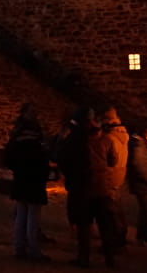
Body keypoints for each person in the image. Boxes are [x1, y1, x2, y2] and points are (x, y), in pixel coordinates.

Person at [57, 106, 120, 268]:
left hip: (82, 188)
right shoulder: (105, 139)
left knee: (84, 227)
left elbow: (62, 160)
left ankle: (84, 258)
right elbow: (113, 161)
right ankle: (109, 259)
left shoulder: (74, 140)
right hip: (101, 188)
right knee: (105, 226)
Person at [4, 103, 51, 261]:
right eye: (32, 112)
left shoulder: (16, 136)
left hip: (23, 178)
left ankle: (20, 247)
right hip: (32, 178)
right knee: (30, 215)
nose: (35, 114)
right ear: (25, 113)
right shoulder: (33, 136)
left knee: (23, 213)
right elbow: (41, 155)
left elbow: (9, 158)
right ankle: (31, 249)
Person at [100, 107, 129, 252]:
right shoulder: (123, 136)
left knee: (110, 212)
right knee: (117, 209)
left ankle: (113, 243)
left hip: (110, 177)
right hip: (119, 175)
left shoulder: (109, 138)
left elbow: (110, 159)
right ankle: (121, 238)